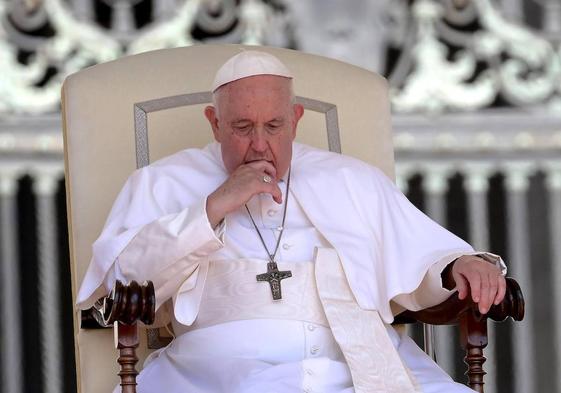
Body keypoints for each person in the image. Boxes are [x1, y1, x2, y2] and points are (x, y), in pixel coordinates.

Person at [77, 50, 507, 393]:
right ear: (214, 123)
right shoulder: (161, 183)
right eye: (242, 127)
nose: (260, 144)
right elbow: (122, 279)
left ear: (296, 120)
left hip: (356, 364)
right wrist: (212, 208)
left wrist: (459, 265)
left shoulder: (351, 179)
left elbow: (422, 255)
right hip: (218, 372)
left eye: (274, 125)